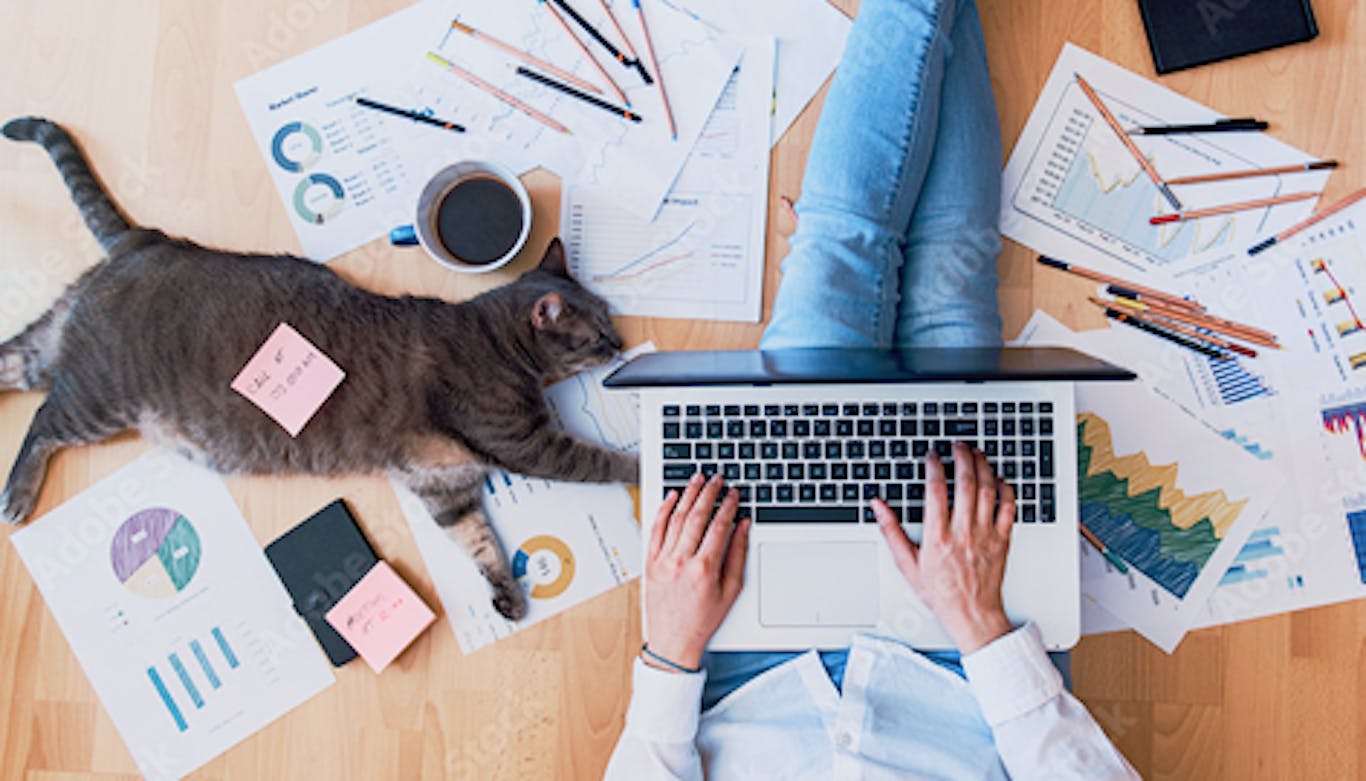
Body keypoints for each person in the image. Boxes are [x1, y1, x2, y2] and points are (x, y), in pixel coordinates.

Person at [603, 0, 1140, 777]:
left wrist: (669, 650)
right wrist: (981, 623)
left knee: (840, 253)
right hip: (964, 668)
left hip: (744, 655)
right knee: (952, 274)